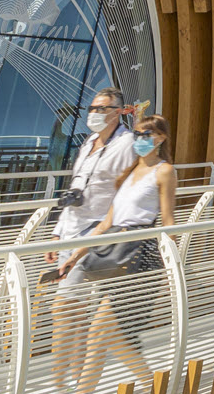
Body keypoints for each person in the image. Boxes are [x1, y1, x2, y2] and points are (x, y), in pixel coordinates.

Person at [59, 115, 179, 394]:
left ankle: (150, 385)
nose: (139, 140)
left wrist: (172, 264)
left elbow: (168, 220)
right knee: (108, 335)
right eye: (136, 134)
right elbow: (104, 224)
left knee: (102, 331)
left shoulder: (164, 171)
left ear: (160, 138)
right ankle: (155, 384)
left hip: (141, 256)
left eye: (146, 135)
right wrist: (75, 257)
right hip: (118, 253)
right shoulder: (128, 173)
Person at [48, 89, 136, 393]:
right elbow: (75, 186)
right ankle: (77, 382)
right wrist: (57, 231)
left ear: (117, 111)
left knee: (62, 307)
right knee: (78, 313)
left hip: (95, 233)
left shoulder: (127, 144)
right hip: (70, 229)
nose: (94, 113)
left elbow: (130, 189)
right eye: (92, 108)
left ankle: (60, 383)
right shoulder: (88, 142)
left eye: (101, 108)